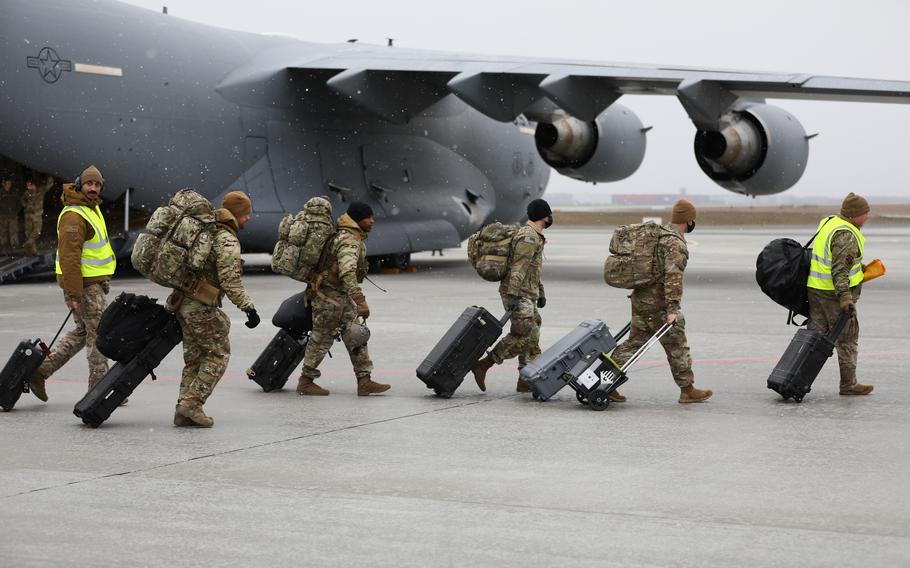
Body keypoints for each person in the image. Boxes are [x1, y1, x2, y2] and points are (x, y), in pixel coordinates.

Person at [609, 199, 713, 404]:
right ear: (688, 220)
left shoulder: (657, 235)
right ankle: (687, 390)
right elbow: (673, 277)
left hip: (640, 298)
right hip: (658, 304)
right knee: (677, 344)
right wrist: (672, 309)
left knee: (634, 344)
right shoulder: (675, 243)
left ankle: (606, 381)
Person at [170, 191, 260, 427]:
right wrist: (248, 307)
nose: (248, 219)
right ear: (237, 214)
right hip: (201, 306)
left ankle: (182, 411)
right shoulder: (227, 239)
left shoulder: (206, 231)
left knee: (194, 359)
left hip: (183, 302)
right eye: (246, 214)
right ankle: (192, 403)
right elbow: (230, 279)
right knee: (219, 355)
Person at [29, 166, 116, 402]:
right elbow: (70, 258)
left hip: (90, 285)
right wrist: (75, 294)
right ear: (79, 184)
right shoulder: (75, 215)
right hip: (84, 287)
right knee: (98, 335)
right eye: (89, 184)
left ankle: (40, 371)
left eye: (97, 185)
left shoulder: (90, 209)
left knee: (82, 332)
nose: (93, 188)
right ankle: (98, 390)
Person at [296, 201, 390, 397]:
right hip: (329, 298)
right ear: (357, 219)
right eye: (368, 218)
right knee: (321, 338)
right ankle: (305, 381)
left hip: (340, 296)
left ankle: (364, 380)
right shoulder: (348, 240)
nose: (372, 221)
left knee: (355, 335)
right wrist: (360, 300)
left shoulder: (348, 235)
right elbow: (347, 272)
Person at [472, 198, 551, 393]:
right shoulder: (529, 238)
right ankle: (484, 364)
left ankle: (525, 379)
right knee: (521, 335)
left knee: (533, 334)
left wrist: (540, 293)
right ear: (544, 216)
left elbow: (532, 269)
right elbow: (519, 267)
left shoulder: (534, 235)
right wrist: (514, 295)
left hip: (527, 293)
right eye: (549, 215)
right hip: (517, 293)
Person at [805, 193, 874, 395]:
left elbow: (830, 258)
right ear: (853, 216)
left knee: (813, 339)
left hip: (816, 290)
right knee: (847, 339)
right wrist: (845, 297)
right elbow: (839, 270)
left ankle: (794, 378)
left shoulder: (830, 223)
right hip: (833, 296)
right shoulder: (846, 235)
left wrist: (858, 266)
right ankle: (849, 384)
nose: (868, 216)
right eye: (864, 212)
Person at [21, 174, 55, 255]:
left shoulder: (41, 190)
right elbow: (22, 200)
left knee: (37, 232)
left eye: (29, 185)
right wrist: (25, 205)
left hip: (37, 215)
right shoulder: (26, 193)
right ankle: (32, 251)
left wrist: (50, 176)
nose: (28, 187)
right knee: (29, 232)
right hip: (28, 215)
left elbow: (49, 185)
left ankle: (28, 243)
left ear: (33, 184)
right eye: (27, 185)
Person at [0, 172, 22, 253]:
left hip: (13, 216)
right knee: (3, 232)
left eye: (10, 183)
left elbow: (19, 203)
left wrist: (16, 212)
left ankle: (15, 247)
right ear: (4, 184)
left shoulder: (14, 192)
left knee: (14, 231)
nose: (9, 185)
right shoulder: (1, 192)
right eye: (8, 183)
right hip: (3, 217)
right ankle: (4, 247)